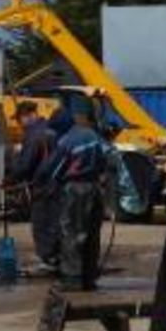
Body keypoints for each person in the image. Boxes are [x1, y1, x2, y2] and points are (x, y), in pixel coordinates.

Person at [36, 106, 110, 291]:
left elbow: (51, 170)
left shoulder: (67, 141)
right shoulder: (93, 135)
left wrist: (41, 183)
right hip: (95, 189)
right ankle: (89, 278)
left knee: (71, 234)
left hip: (75, 190)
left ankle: (72, 279)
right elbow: (110, 156)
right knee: (92, 235)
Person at [12, 101, 62, 271]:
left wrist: (12, 173)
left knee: (40, 224)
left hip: (41, 186)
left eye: (20, 120)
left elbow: (25, 165)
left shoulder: (33, 135)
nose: (20, 125)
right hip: (56, 185)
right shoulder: (52, 131)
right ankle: (56, 257)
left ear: (27, 116)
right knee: (54, 222)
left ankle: (47, 259)